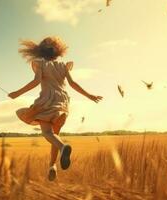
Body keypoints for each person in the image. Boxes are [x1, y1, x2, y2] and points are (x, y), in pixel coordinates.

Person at [8, 37, 103, 181]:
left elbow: (36, 81)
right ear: (58, 50)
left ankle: (63, 147)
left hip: (47, 102)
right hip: (63, 104)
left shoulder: (40, 63)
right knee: (54, 136)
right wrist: (90, 95)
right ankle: (52, 166)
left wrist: (17, 93)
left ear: (39, 51)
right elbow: (73, 83)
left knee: (46, 132)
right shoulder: (63, 65)